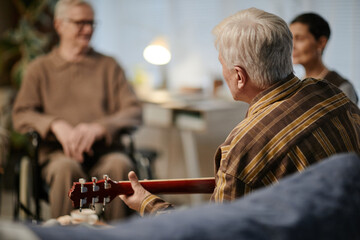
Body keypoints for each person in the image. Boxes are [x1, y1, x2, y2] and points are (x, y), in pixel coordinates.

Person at [119, 8, 360, 216]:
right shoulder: (332, 94)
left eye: (221, 64)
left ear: (239, 76)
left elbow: (216, 232)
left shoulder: (243, 147)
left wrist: (147, 204)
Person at [12, 0, 142, 221]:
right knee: (66, 169)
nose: (89, 29)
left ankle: (120, 236)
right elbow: (21, 114)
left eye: (92, 23)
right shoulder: (39, 69)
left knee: (120, 165)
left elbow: (133, 111)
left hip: (105, 152)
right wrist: (54, 124)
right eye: (80, 23)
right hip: (57, 155)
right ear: (59, 25)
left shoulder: (109, 66)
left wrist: (100, 127)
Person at [290, 12, 358, 104]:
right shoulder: (296, 85)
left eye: (300, 39)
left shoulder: (341, 87)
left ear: (321, 42)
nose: (292, 46)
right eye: (290, 39)